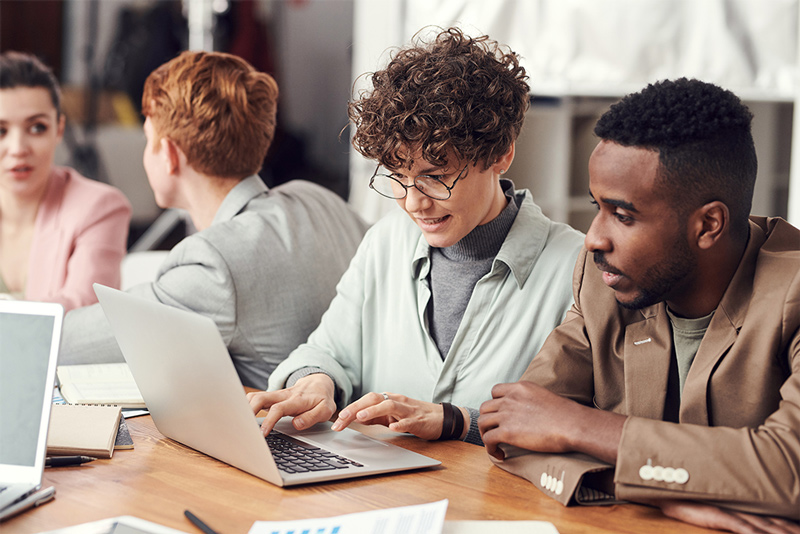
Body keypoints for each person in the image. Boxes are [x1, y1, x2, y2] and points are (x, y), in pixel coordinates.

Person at [479, 78, 800, 533]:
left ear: (708, 224)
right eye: (597, 207)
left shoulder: (795, 290)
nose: (593, 237)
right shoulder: (603, 278)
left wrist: (578, 426)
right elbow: (512, 430)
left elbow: (789, 468)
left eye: (623, 215)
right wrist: (672, 498)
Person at [248, 27, 584, 445]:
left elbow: (580, 424)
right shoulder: (386, 241)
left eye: (435, 177)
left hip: (498, 505)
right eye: (397, 176)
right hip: (378, 497)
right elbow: (328, 351)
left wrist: (458, 420)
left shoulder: (577, 268)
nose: (413, 203)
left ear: (501, 154)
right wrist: (316, 383)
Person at [59, 51, 368, 390]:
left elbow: (65, 344)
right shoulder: (316, 197)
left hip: (287, 436)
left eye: (149, 141)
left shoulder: (215, 265)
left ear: (170, 156)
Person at [0, 51, 131, 311]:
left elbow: (82, 312)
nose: (18, 148)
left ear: (59, 129)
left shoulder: (100, 208)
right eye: (1, 131)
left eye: (37, 127)